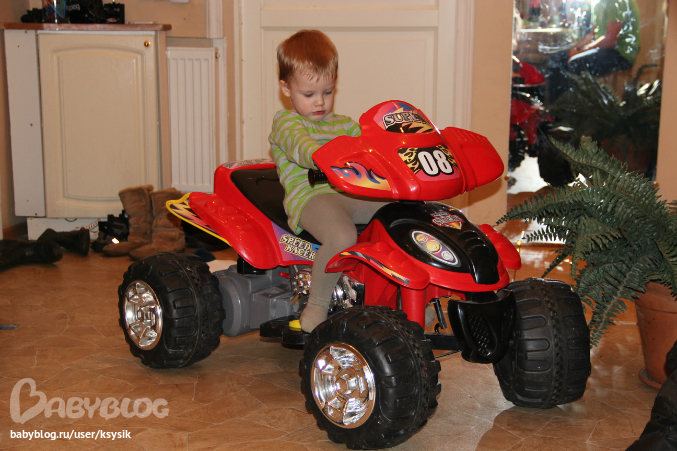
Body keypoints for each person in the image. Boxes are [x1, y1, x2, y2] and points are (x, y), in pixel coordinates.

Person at [269, 30, 388, 333]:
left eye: (328, 91)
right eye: (309, 95)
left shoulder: (345, 124)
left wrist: (387, 150)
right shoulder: (286, 122)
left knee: (399, 215)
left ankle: (405, 296)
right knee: (342, 235)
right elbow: (301, 147)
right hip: (311, 197)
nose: (320, 102)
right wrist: (324, 156)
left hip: (351, 193)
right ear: (286, 88)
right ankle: (317, 305)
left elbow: (369, 146)